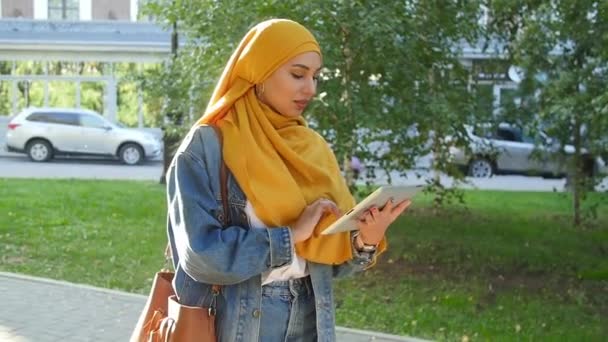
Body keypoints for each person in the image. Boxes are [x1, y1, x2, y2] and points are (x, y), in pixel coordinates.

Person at [166, 19, 411, 342]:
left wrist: (365, 240)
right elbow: (201, 256)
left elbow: (328, 262)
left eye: (315, 77)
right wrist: (290, 235)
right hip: (235, 322)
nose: (310, 89)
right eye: (298, 74)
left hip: (311, 316)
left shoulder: (312, 148)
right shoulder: (209, 146)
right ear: (259, 73)